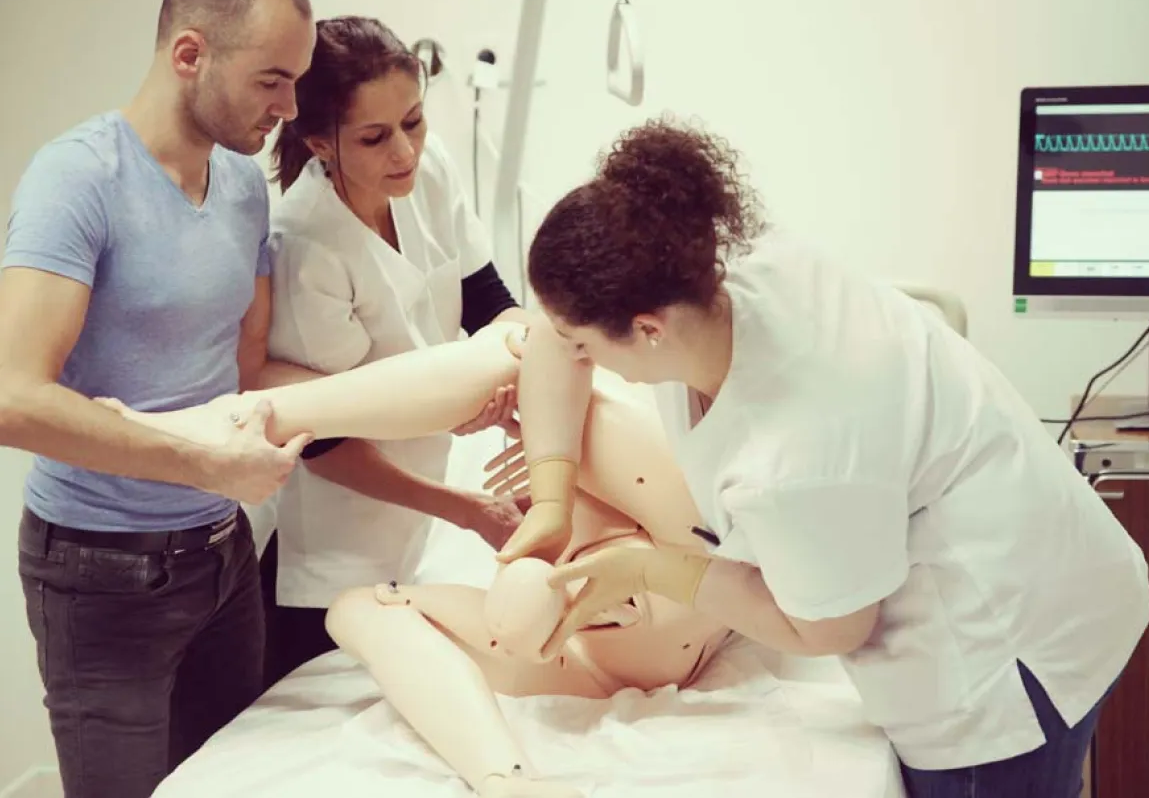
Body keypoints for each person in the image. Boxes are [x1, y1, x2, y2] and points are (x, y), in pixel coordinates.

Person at [494, 117, 1149, 798]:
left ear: (648, 329)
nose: (575, 355)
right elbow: (553, 335)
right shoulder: (700, 268)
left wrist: (652, 569)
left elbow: (830, 628)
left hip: (1007, 650)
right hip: (1029, 530)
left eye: (585, 345)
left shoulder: (793, 455)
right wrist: (550, 498)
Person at [100, 321, 734, 798]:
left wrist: (549, 461)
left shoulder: (642, 445)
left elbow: (538, 337)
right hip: (610, 654)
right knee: (360, 609)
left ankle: (237, 417)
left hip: (655, 593)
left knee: (515, 346)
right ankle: (507, 779)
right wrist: (546, 459)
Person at [0, 0, 316, 798]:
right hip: (100, 574)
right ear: (189, 54)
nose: (289, 107)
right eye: (272, 79)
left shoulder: (244, 187)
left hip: (223, 559)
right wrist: (206, 465)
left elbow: (246, 370)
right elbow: (12, 397)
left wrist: (428, 392)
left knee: (228, 785)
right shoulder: (77, 180)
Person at [254, 14, 529, 687]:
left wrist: (512, 377)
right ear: (320, 142)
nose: (405, 151)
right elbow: (323, 442)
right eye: (374, 137)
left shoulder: (428, 174)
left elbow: (491, 303)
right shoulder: (305, 244)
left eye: (414, 121)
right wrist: (467, 508)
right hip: (333, 555)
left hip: (418, 529)